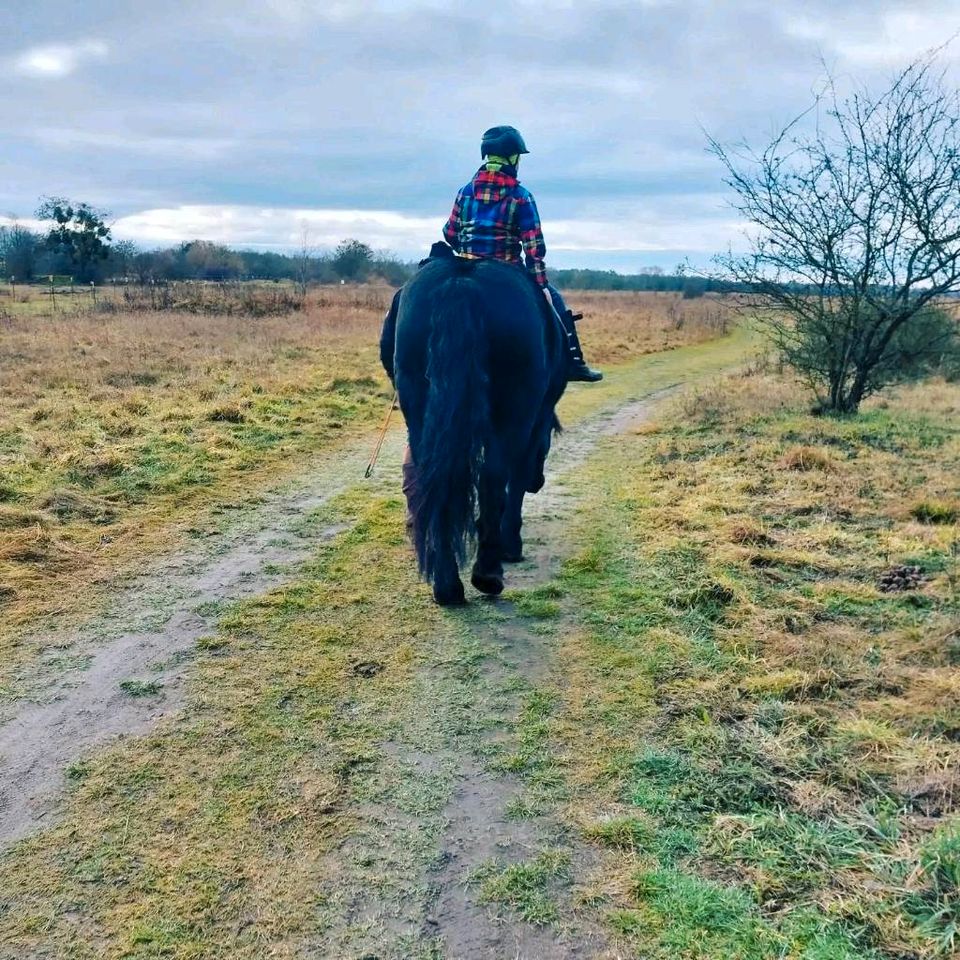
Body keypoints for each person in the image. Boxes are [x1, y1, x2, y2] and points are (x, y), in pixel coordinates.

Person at [442, 125, 603, 383]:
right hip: (507, 271)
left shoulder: (464, 192)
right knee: (557, 303)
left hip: (465, 268)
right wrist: (542, 288)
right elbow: (534, 248)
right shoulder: (521, 197)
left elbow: (449, 233)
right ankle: (574, 362)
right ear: (513, 158)